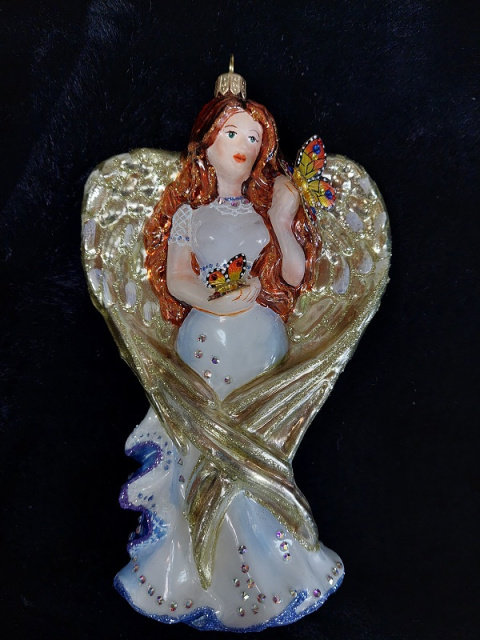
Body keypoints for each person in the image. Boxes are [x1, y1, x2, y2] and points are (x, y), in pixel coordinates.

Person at [113, 66, 344, 631]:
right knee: (205, 450)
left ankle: (272, 567)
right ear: (205, 145)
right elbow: (178, 279)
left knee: (256, 452)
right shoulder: (188, 214)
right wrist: (216, 302)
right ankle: (199, 569)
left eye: (254, 138)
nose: (244, 146)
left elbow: (294, 275)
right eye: (232, 134)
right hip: (205, 342)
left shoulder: (267, 211)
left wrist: (285, 219)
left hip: (260, 342)